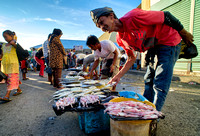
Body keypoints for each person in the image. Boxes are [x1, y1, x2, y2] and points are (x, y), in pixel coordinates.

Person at [90, 7, 194, 111]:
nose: (102, 28)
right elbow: (131, 58)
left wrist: (185, 34)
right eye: (99, 26)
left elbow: (166, 15)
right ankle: (145, 109)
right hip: (154, 45)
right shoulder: (120, 38)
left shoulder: (134, 17)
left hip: (168, 39)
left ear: (111, 16)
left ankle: (153, 115)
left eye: (102, 22)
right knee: (148, 79)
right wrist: (117, 76)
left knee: (160, 81)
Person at [0, 30, 22, 102]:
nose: (5, 38)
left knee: (10, 78)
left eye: (6, 37)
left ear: (11, 36)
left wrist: (14, 41)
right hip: (5, 65)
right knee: (9, 78)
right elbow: (2, 54)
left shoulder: (14, 44)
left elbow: (19, 49)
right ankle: (18, 89)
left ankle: (7, 96)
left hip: (13, 64)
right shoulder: (3, 45)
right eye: (4, 37)